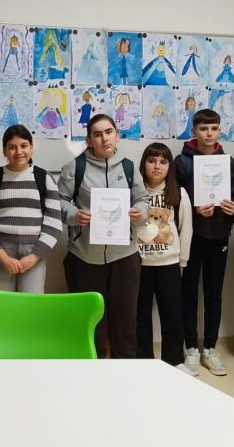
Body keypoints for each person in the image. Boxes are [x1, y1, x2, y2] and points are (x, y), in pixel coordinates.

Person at [58, 114, 148, 358]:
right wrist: (74, 215)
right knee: (91, 322)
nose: (104, 138)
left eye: (108, 132)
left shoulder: (129, 167)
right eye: (97, 134)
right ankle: (93, 370)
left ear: (117, 135)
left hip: (125, 256)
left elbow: (142, 200)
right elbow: (58, 202)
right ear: (89, 140)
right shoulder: (75, 167)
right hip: (84, 257)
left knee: (125, 321)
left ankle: (124, 370)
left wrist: (139, 213)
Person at [174, 109, 234, 376]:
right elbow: (174, 198)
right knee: (188, 293)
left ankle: (210, 349)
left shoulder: (228, 162)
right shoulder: (181, 162)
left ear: (220, 130)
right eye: (203, 129)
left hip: (219, 237)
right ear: (194, 131)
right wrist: (194, 209)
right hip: (190, 238)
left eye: (214, 128)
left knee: (214, 294)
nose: (209, 134)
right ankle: (191, 348)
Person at [0, 125, 62, 293]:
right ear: (4, 151)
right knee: (3, 306)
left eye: (24, 146)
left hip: (35, 252)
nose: (19, 151)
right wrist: (4, 258)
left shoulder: (45, 179)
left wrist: (33, 257)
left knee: (31, 306)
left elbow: (54, 225)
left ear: (31, 148)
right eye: (12, 147)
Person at [135, 143, 192, 373]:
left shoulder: (178, 193)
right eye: (152, 161)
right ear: (143, 164)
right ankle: (144, 361)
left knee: (172, 315)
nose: (157, 166)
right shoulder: (135, 191)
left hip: (169, 264)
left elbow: (186, 229)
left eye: (163, 161)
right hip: (139, 264)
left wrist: (183, 261)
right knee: (140, 316)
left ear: (170, 166)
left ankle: (174, 361)